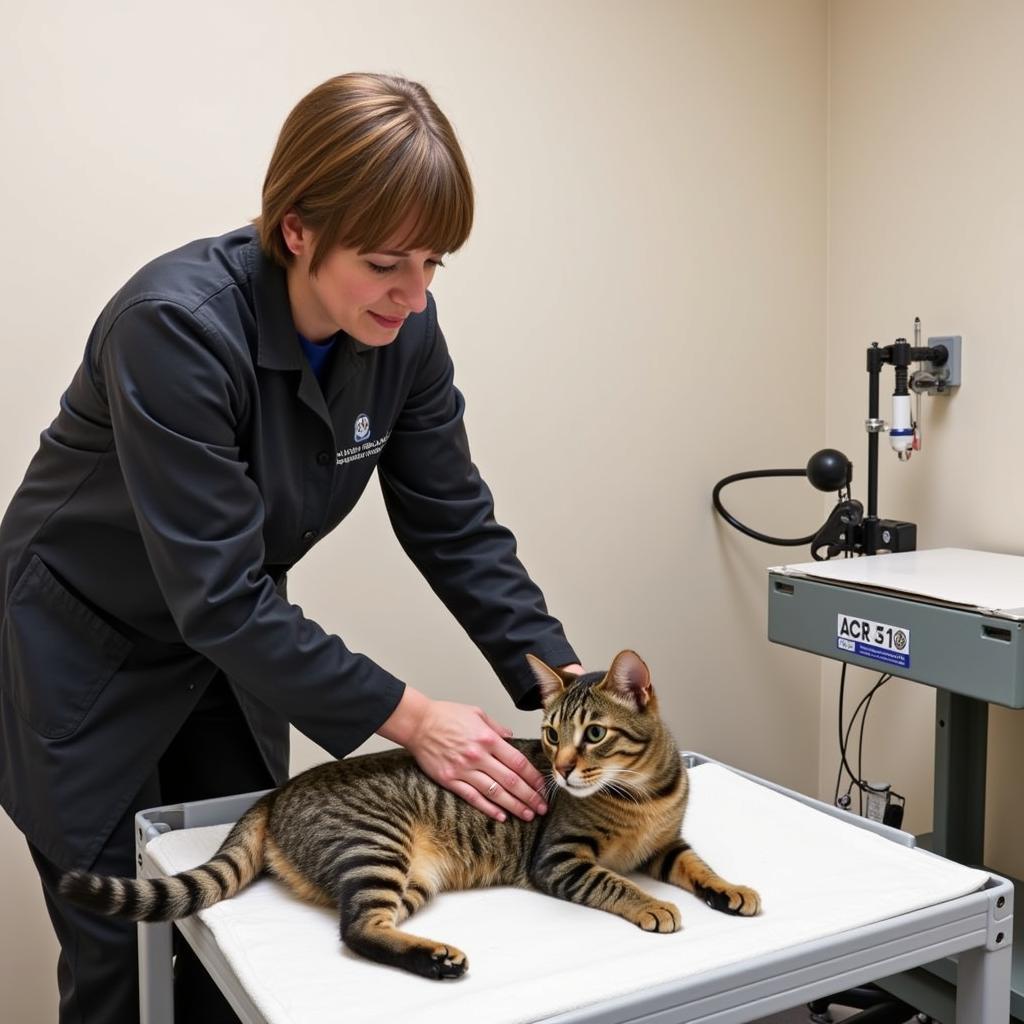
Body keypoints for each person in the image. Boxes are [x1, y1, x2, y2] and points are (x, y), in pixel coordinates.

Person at [0, 72, 581, 1023]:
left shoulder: (404, 333)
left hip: (225, 654)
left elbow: (454, 521)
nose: (413, 293)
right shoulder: (177, 328)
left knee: (247, 938)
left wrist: (568, 691)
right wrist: (416, 717)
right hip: (83, 653)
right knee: (123, 963)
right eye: (388, 262)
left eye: (435, 263)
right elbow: (221, 592)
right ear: (298, 230)